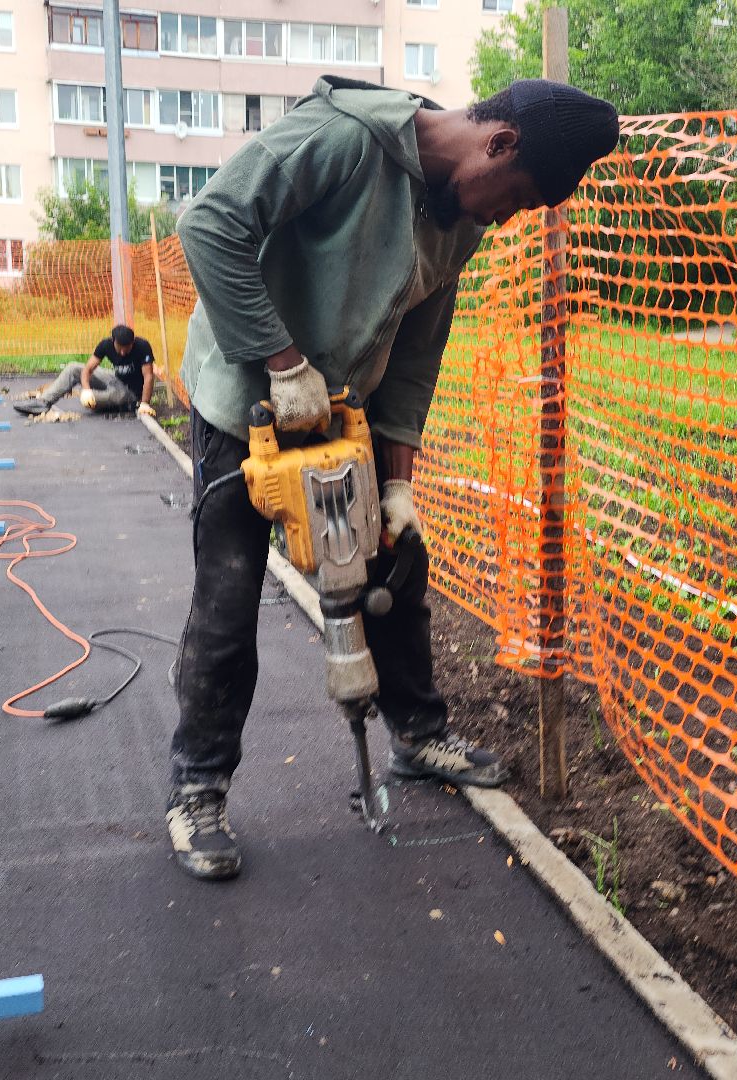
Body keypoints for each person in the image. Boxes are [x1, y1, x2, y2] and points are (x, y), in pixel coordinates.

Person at [166, 77, 619, 880]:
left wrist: (398, 486)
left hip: (342, 413)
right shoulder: (343, 139)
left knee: (396, 569)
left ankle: (416, 736)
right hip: (247, 406)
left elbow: (414, 359)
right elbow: (208, 223)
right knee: (228, 601)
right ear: (499, 144)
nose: (504, 218)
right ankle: (198, 788)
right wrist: (281, 362)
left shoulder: (456, 222)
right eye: (514, 198)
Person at [12, 325, 156, 417]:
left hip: (130, 392)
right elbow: (87, 370)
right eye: (120, 348)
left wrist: (145, 403)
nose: (123, 353)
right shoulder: (105, 345)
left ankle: (127, 405)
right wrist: (87, 389)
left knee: (93, 401)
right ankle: (43, 402)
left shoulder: (142, 346)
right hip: (115, 379)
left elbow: (148, 377)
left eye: (127, 348)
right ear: (113, 341)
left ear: (132, 343)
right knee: (73, 368)